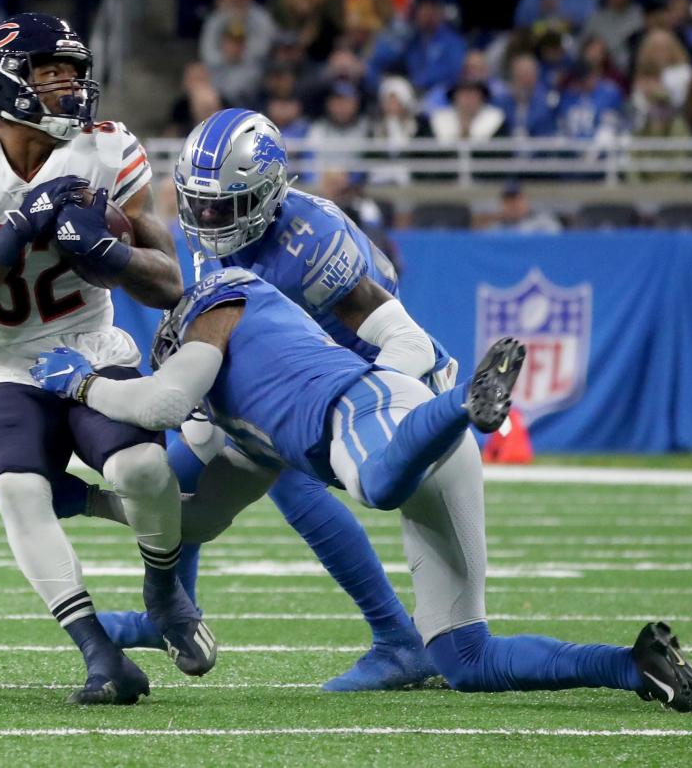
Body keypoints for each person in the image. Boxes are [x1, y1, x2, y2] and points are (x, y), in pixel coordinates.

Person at [34, 268, 692, 715]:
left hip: (380, 412)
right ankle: (635, 666)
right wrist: (85, 500)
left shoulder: (229, 298)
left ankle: (466, 400)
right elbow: (198, 519)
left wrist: (83, 383)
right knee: (465, 657)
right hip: (422, 440)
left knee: (371, 482)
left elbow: (161, 400)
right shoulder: (239, 433)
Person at [0, 13, 214, 706]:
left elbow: (168, 280)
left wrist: (111, 253)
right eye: (52, 72)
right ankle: (101, 654)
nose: (70, 86)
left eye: (74, 71)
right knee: (16, 487)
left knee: (142, 467)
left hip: (92, 348)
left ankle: (163, 591)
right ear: (6, 83)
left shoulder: (107, 150)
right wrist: (17, 229)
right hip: (8, 362)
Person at [98, 109, 453, 692]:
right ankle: (170, 613)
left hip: (364, 378)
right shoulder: (225, 224)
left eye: (222, 205)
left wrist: (352, 405)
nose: (206, 217)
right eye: (199, 202)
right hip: (296, 374)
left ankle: (398, 639)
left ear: (266, 194)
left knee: (290, 479)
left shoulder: (308, 245)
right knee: (176, 475)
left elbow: (397, 336)